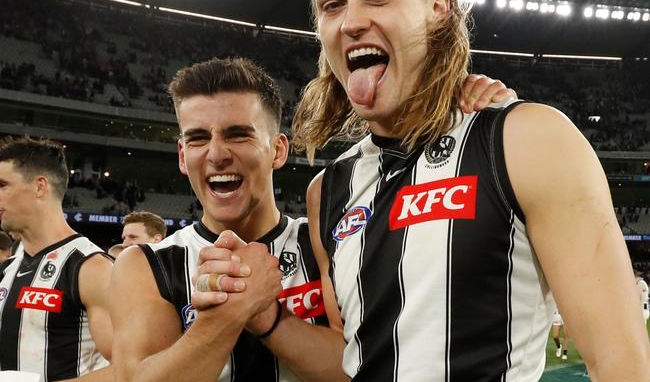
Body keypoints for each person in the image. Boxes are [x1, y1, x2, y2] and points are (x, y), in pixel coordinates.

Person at [286, 0, 648, 380]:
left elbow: (622, 363)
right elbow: (350, 357)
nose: (350, 21)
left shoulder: (527, 141)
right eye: (331, 4)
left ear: (438, 8)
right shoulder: (326, 192)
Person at [110, 57, 511, 382]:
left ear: (278, 150)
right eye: (198, 138)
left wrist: (270, 318)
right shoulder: (144, 265)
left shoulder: (336, 238)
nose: (216, 154)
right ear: (182, 156)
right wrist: (234, 309)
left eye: (238, 134)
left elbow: (365, 368)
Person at [0, 137, 113, 381]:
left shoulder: (91, 268)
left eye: (2, 185)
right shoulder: (7, 269)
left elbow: (129, 368)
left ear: (40, 186)